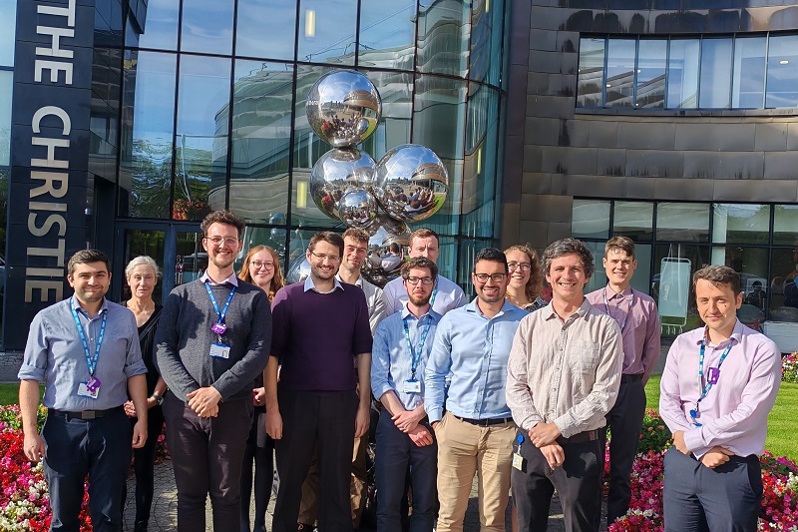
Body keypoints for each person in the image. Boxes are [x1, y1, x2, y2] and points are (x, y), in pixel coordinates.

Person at [155, 210, 272, 532]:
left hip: (232, 409)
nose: (224, 245)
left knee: (226, 495)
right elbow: (163, 349)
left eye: (230, 240)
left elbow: (259, 353)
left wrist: (218, 392)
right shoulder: (180, 295)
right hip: (185, 410)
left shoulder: (255, 298)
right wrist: (193, 395)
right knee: (189, 495)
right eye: (217, 239)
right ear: (205, 243)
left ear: (239, 245)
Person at [18, 249, 149, 531]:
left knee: (109, 516)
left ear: (109, 278)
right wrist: (30, 432)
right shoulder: (46, 319)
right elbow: (29, 378)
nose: (93, 281)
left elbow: (135, 370)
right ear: (71, 279)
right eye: (85, 275)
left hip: (112, 427)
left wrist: (141, 418)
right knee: (63, 518)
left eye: (99, 274)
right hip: (63, 428)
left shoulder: (124, 318)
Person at [506, 237, 623, 532]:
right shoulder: (529, 325)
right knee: (527, 525)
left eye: (575, 269)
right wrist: (541, 433)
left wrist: (557, 428)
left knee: (580, 527)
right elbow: (516, 386)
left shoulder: (605, 328)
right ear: (548, 275)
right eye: (559, 269)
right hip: (532, 443)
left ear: (586, 275)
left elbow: (604, 394)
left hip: (581, 447)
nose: (566, 276)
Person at [659, 265, 781, 532]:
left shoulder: (761, 349)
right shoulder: (682, 344)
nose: (711, 308)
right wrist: (700, 448)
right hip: (683, 463)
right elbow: (668, 401)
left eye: (721, 300)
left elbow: (750, 414)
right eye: (704, 300)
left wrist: (692, 440)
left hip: (731, 467)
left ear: (738, 300)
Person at [265, 231, 372, 532]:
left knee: (337, 485)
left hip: (340, 404)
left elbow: (363, 353)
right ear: (309, 256)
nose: (327, 262)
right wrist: (273, 409)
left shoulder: (354, 297)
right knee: (290, 483)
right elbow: (271, 357)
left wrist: (363, 405)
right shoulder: (288, 297)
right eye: (321, 255)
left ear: (340, 259)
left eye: (333, 257)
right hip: (295, 403)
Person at [425, 248, 527, 532]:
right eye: (483, 276)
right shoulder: (453, 320)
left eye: (496, 276)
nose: (489, 282)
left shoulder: (524, 323)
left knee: (493, 520)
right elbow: (434, 373)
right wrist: (436, 421)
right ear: (473, 278)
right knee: (449, 518)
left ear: (507, 278)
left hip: (503, 432)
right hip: (456, 429)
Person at [297, 228, 386, 530]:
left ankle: (348, 522)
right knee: (311, 460)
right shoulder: (312, 288)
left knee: (352, 462)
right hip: (314, 387)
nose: (355, 254)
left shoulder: (374, 295)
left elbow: (365, 342)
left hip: (354, 387)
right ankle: (304, 521)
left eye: (361, 249)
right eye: (350, 248)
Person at [584, 236, 661, 524]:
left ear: (634, 265)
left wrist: (635, 383)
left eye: (626, 262)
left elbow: (652, 350)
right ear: (605, 264)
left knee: (622, 464)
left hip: (629, 387)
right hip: (594, 389)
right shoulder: (589, 303)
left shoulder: (646, 305)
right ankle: (588, 523)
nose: (620, 266)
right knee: (590, 460)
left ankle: (617, 523)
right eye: (614, 261)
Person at [371, 257, 441, 532]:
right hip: (393, 423)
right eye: (414, 279)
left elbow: (448, 379)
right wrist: (406, 420)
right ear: (404, 284)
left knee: (425, 504)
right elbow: (379, 379)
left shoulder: (445, 326)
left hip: (431, 422)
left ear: (433, 284)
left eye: (426, 279)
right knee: (388, 504)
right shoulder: (387, 327)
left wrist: (417, 416)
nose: (419, 285)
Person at [237, 245, 284, 532]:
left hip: (271, 392)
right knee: (242, 460)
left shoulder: (283, 301)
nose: (263, 268)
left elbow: (289, 350)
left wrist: (271, 388)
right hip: (240, 390)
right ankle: (242, 524)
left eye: (268, 264)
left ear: (275, 269)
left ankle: (259, 525)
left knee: (264, 457)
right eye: (257, 263)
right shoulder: (237, 298)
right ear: (248, 265)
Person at [123, 256, 168, 532]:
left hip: (152, 403)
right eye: (137, 277)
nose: (143, 282)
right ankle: (115, 521)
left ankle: (141, 524)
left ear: (155, 280)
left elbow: (170, 361)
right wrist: (121, 401)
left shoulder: (165, 316)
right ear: (128, 280)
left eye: (148, 277)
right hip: (117, 405)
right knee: (116, 468)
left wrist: (154, 398)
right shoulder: (114, 314)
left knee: (143, 467)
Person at [383, 228, 467, 315]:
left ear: (438, 253)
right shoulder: (392, 290)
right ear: (410, 252)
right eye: (420, 249)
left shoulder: (455, 294)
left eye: (431, 249)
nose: (426, 255)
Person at [504, 244, 547, 312]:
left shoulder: (543, 309)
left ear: (531, 271)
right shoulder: (493, 306)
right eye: (512, 264)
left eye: (525, 265)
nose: (518, 270)